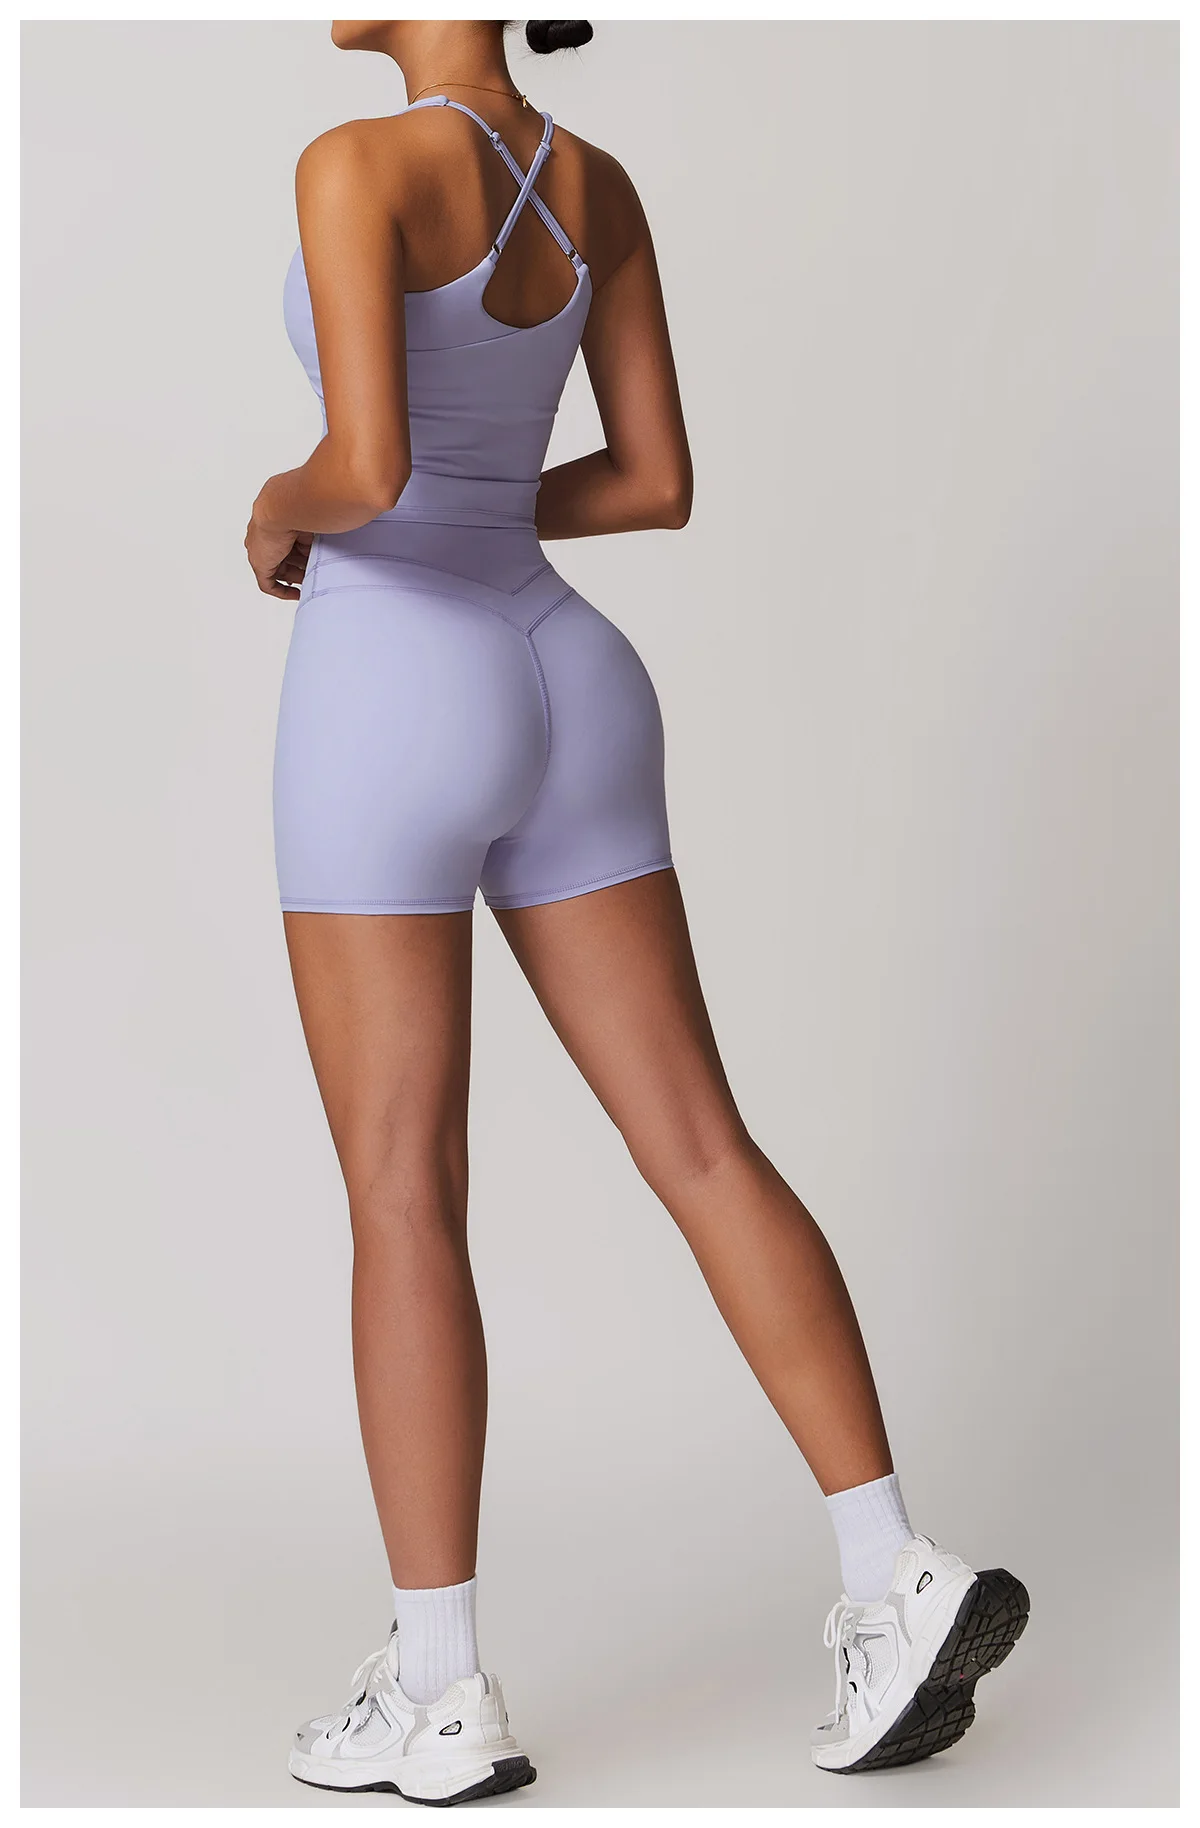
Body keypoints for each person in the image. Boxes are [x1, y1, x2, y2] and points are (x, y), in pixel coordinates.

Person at [246, 18, 1029, 1804]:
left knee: (402, 1185)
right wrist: (473, 514)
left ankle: (439, 1692)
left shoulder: (354, 163)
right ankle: (896, 1570)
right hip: (569, 675)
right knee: (700, 1140)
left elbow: (363, 467)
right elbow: (654, 481)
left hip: (391, 684)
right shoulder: (595, 185)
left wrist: (280, 511)